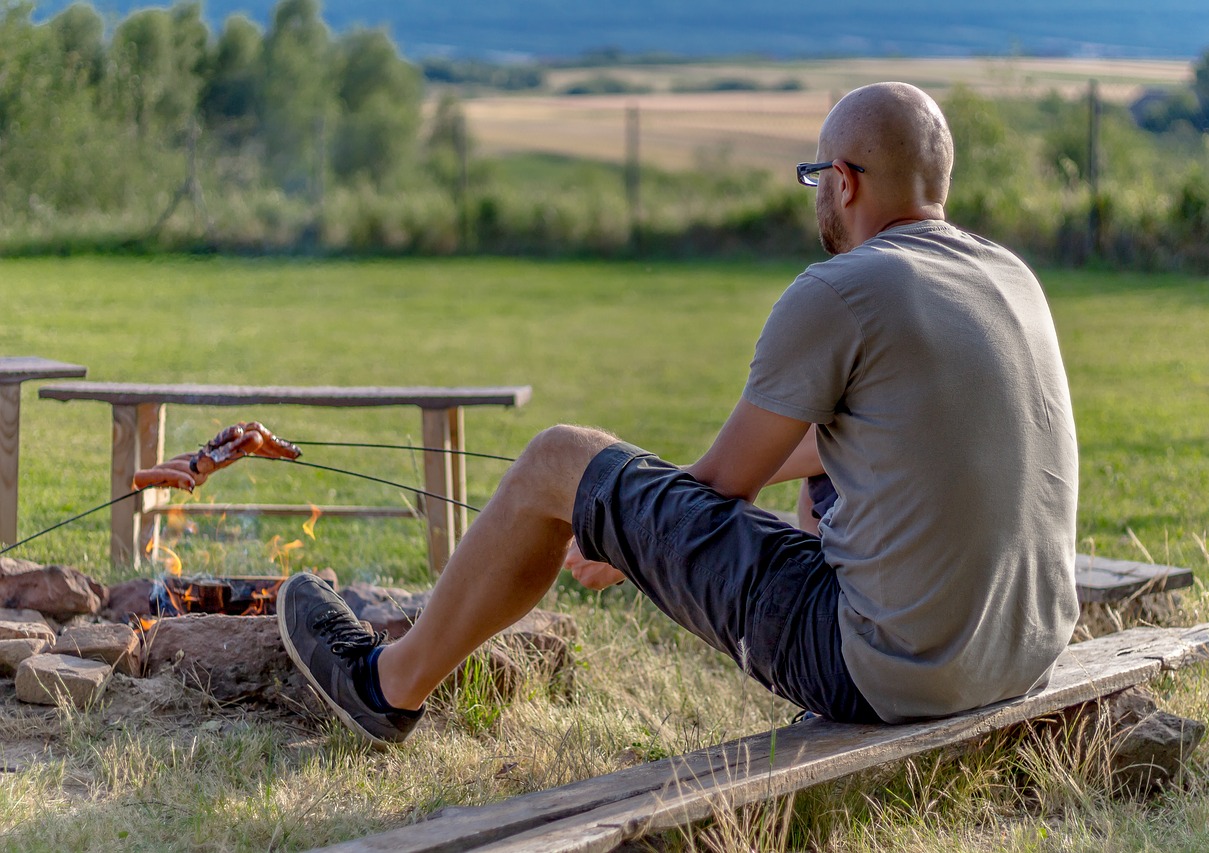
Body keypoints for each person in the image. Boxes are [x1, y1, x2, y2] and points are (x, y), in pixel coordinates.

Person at [277, 82, 1080, 746]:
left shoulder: (841, 288)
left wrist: (623, 534)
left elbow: (725, 483)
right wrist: (644, 514)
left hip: (892, 672)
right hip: (1023, 653)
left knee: (561, 456)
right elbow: (888, 442)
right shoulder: (1008, 275)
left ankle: (386, 683)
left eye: (815, 179)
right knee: (820, 484)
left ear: (844, 179)